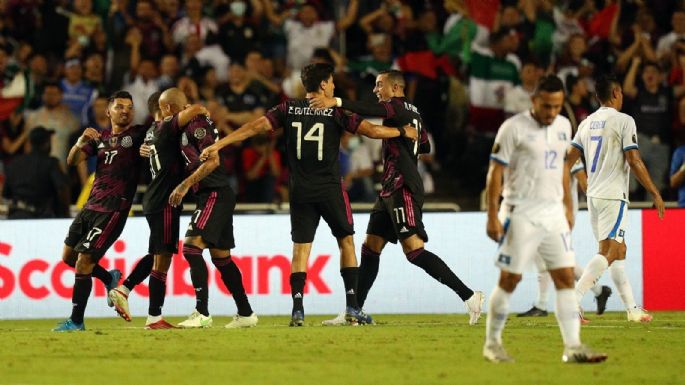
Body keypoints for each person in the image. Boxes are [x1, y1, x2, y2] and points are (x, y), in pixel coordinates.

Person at [200, 63, 417, 326]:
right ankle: (352, 307)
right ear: (324, 84)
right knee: (346, 242)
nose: (334, 86)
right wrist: (402, 131)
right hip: (330, 188)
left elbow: (254, 127)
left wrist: (219, 144)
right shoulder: (334, 110)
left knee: (300, 250)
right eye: (332, 82)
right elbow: (371, 131)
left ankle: (298, 310)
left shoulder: (287, 108)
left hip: (300, 190)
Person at [310, 70, 484, 326]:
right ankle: (353, 311)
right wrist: (405, 137)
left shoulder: (396, 106)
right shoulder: (414, 113)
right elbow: (425, 145)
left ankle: (469, 296)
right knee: (371, 247)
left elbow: (370, 109)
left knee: (413, 251)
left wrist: (336, 102)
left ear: (395, 88)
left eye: (379, 85)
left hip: (403, 186)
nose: (375, 90)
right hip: (390, 189)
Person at [484, 75, 608, 363]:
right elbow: (495, 172)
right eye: (546, 106)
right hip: (520, 212)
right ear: (533, 101)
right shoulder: (512, 128)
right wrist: (492, 214)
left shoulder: (565, 126)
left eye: (557, 106)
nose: (552, 113)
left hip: (553, 213)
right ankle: (492, 344)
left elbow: (564, 168)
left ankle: (573, 347)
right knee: (510, 279)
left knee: (565, 277)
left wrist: (566, 205)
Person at [568, 75, 665, 324]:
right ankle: (572, 301)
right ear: (615, 93)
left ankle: (632, 309)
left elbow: (568, 160)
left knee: (617, 250)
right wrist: (654, 192)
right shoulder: (624, 121)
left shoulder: (586, 123)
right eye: (620, 93)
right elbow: (634, 160)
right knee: (611, 252)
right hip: (613, 195)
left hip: (593, 196)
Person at [108, 92, 208, 329]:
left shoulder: (152, 132)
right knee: (162, 260)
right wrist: (198, 109)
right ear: (165, 109)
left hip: (156, 198)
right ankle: (153, 317)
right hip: (164, 200)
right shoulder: (164, 127)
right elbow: (196, 109)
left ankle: (125, 289)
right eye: (177, 107)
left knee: (157, 253)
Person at [162, 87, 257, 329]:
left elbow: (213, 160)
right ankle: (246, 313)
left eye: (163, 110)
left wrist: (184, 185)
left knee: (192, 248)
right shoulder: (184, 127)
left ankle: (202, 312)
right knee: (221, 258)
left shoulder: (196, 124)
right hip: (216, 193)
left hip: (214, 193)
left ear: (169, 109)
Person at [53, 91, 147, 331]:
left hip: (113, 209)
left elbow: (159, 138)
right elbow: (72, 161)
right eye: (119, 106)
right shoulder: (100, 137)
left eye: (129, 106)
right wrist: (79, 142)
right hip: (90, 206)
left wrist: (150, 148)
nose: (125, 110)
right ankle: (109, 278)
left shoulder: (138, 135)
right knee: (68, 258)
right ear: (108, 112)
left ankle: (76, 321)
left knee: (84, 262)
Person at [518, 159, 612, 318]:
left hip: (560, 214)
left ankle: (542, 304)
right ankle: (599, 290)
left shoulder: (568, 152)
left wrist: (595, 206)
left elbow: (583, 180)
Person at [2, 126, 70, 219]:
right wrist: (65, 213)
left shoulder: (14, 163)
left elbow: (6, 194)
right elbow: (62, 189)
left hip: (16, 217)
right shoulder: (51, 163)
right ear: (47, 143)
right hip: (41, 219)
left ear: (29, 143)